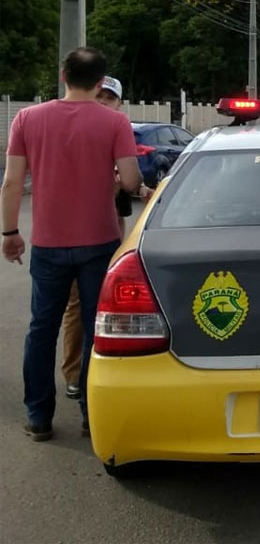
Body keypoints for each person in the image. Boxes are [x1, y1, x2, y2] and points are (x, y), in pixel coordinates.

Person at [1, 50, 142, 442]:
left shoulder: (27, 118)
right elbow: (130, 181)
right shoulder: (115, 121)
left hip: (47, 244)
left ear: (63, 74)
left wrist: (10, 233)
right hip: (99, 242)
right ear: (101, 83)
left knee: (41, 329)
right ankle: (89, 414)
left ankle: (39, 416)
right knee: (99, 330)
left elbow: (12, 183)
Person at [60, 76, 145, 401]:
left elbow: (129, 180)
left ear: (119, 104)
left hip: (110, 235)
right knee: (78, 307)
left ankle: (97, 372)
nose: (103, 102)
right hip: (75, 236)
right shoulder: (75, 132)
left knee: (105, 310)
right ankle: (76, 375)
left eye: (109, 98)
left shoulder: (115, 131)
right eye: (99, 95)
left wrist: (137, 188)